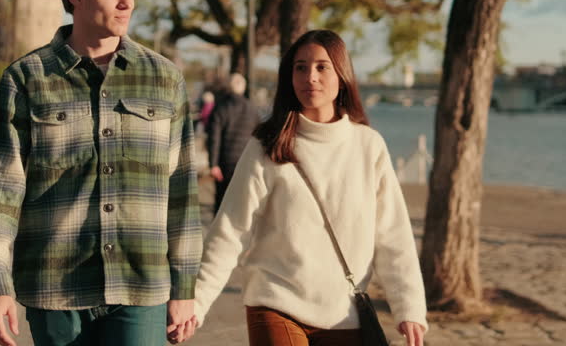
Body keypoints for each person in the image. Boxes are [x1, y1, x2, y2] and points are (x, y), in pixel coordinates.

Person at [0, 0, 201, 346]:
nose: (127, 3)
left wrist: (185, 287)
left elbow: (181, 191)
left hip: (141, 286)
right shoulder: (27, 79)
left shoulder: (164, 79)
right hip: (55, 288)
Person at [182, 30, 428, 346]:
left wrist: (409, 308)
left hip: (344, 313)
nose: (310, 76)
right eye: (300, 67)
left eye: (322, 67)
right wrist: (197, 303)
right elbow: (230, 230)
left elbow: (393, 235)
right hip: (276, 302)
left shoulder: (369, 146)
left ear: (342, 76)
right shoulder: (267, 145)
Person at [205, 73, 260, 215]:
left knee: (222, 202)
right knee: (242, 203)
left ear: (229, 87)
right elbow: (258, 137)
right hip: (245, 161)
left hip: (224, 163)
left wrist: (213, 164)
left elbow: (214, 138)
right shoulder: (252, 109)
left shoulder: (221, 108)